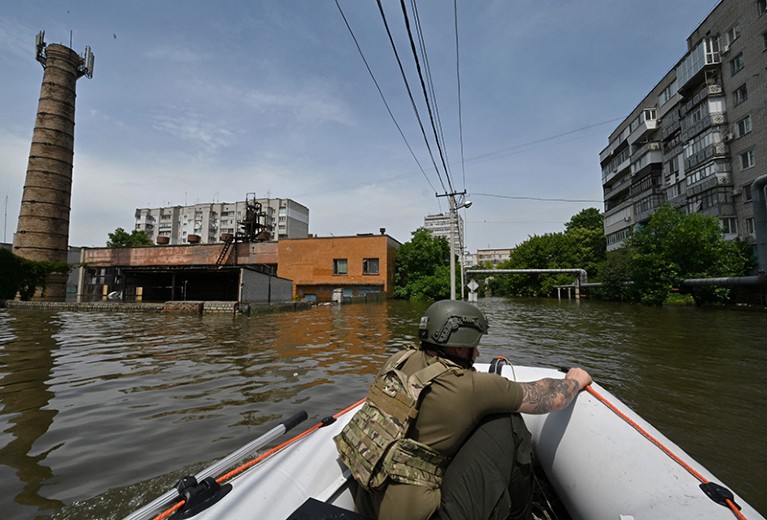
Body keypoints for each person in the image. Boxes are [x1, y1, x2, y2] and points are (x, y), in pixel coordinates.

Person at [334, 299, 592, 520]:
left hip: (370, 503)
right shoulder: (468, 387)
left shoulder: (399, 360)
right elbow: (553, 399)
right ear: (459, 346)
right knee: (506, 420)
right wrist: (576, 380)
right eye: (475, 345)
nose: (478, 352)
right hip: (428, 517)